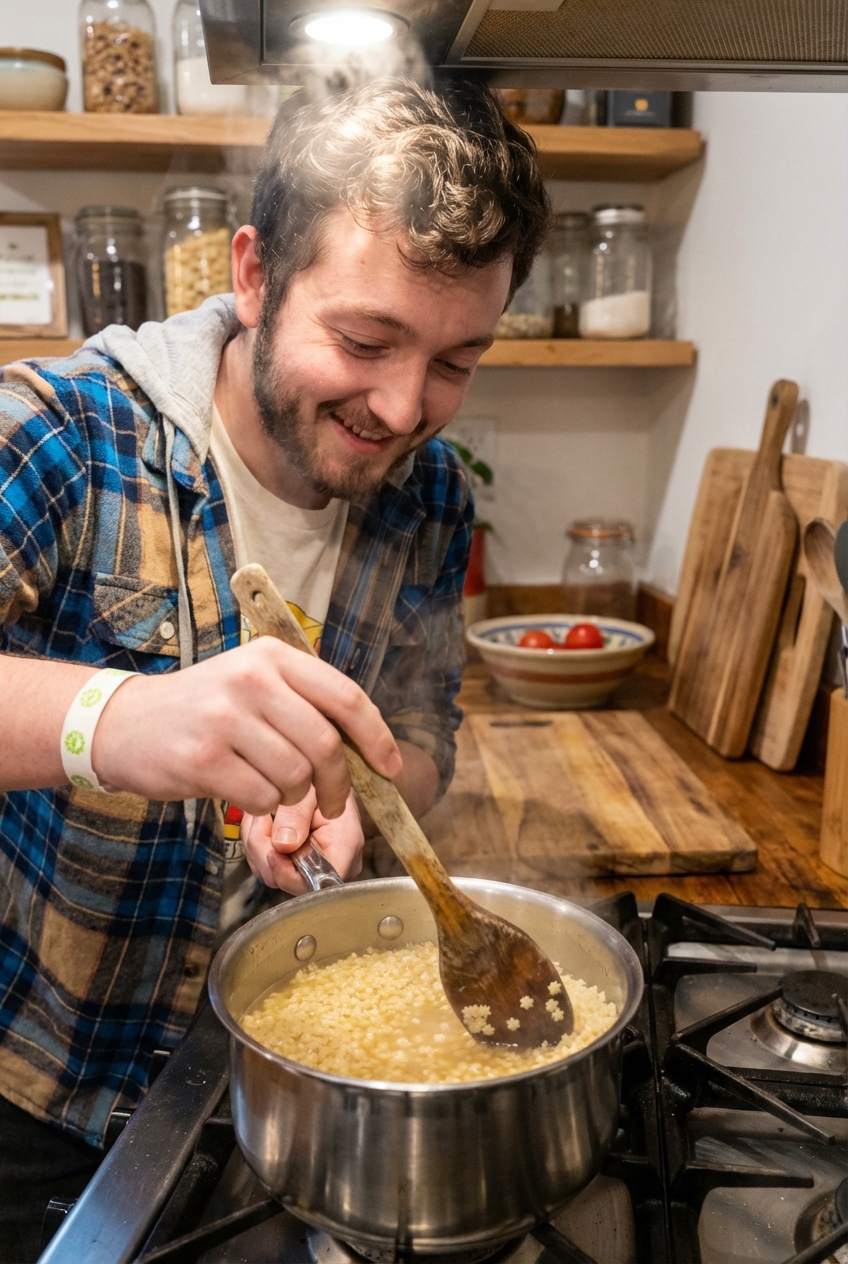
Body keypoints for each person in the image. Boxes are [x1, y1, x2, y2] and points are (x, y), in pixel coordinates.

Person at [0, 76, 549, 1260]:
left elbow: (426, 726)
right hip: (40, 1095)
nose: (405, 407)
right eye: (364, 340)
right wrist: (120, 717)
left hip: (282, 1086)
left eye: (457, 359)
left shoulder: (432, 496)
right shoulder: (66, 433)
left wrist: (360, 795)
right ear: (249, 276)